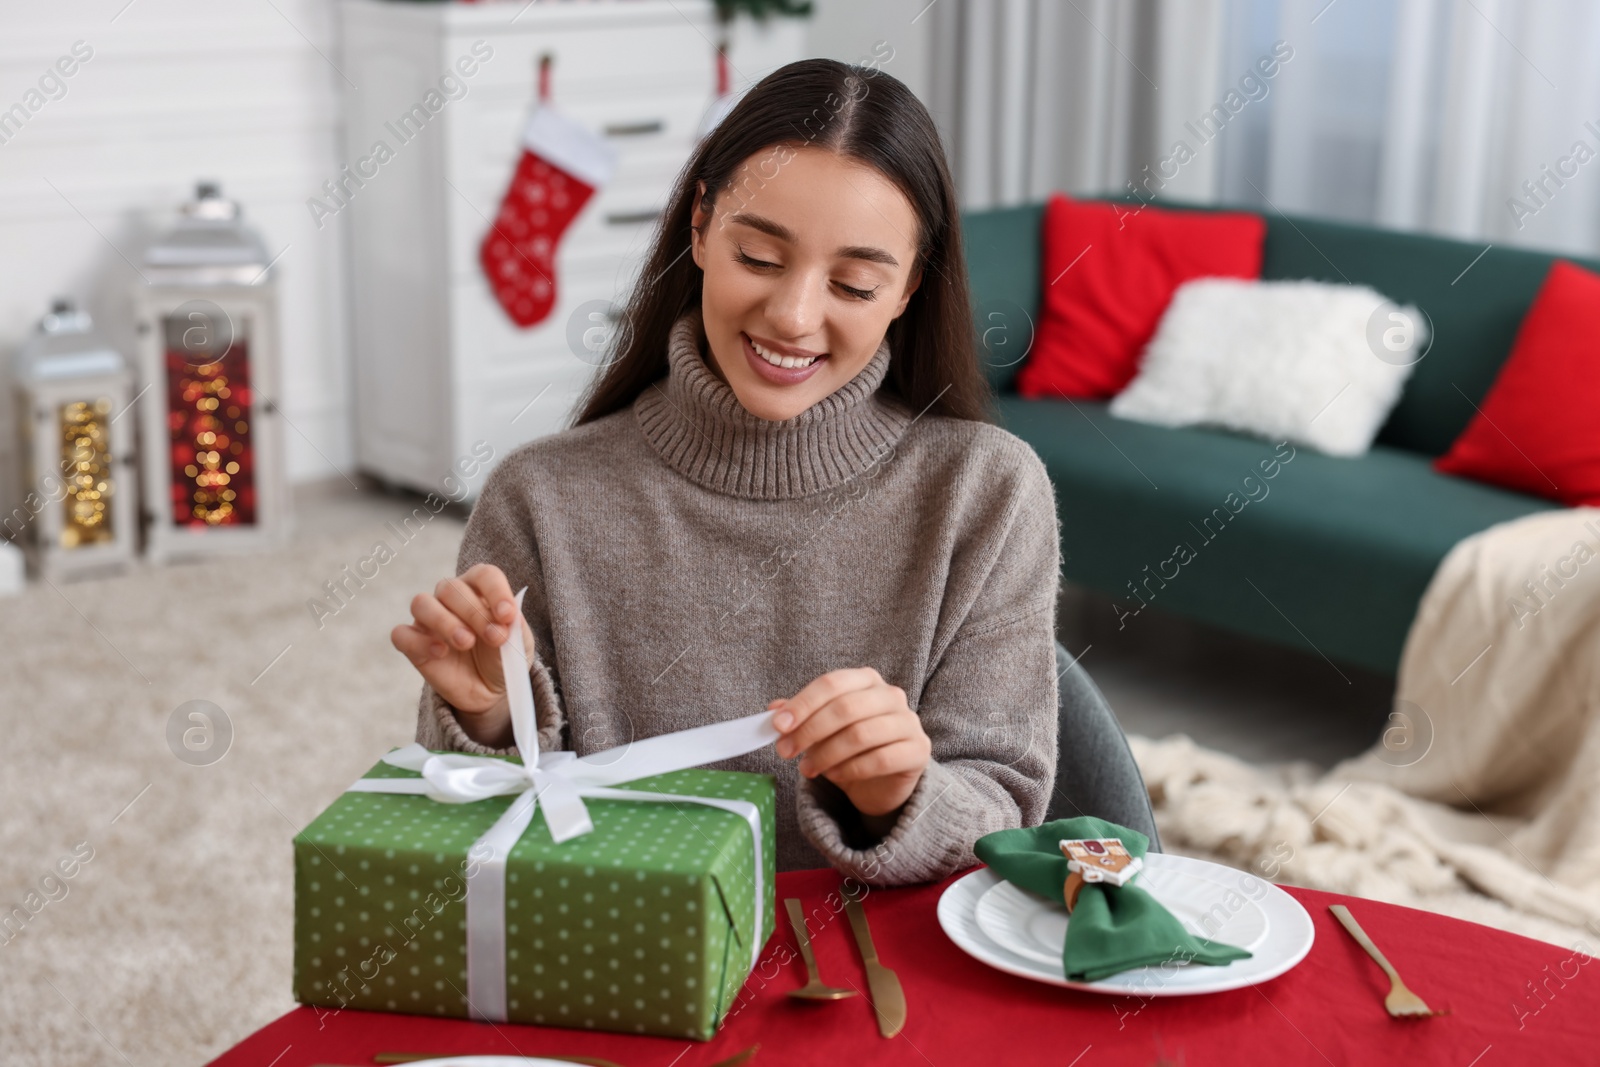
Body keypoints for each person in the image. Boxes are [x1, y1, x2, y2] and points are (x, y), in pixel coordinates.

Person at [391, 57, 1061, 885]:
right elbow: (477, 843)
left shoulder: (985, 494)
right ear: (702, 225)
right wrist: (493, 716)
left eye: (853, 283)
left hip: (867, 978)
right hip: (621, 966)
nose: (793, 315)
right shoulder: (541, 498)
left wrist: (902, 792)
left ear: (908, 289)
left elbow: (1004, 806)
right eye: (760, 256)